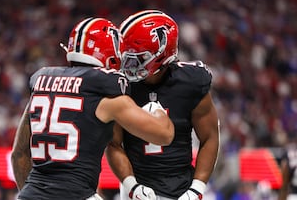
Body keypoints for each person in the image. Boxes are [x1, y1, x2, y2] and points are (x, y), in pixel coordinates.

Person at [10, 17, 175, 200]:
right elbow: (164, 134)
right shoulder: (107, 96)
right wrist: (156, 108)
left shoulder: (42, 85)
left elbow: (19, 154)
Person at [105, 10, 220, 200]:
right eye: (125, 56)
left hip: (182, 187)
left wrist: (197, 189)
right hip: (137, 187)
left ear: (161, 56)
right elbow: (113, 143)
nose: (127, 64)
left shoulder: (191, 82)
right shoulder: (119, 83)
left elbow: (210, 137)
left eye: (137, 58)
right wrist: (131, 186)